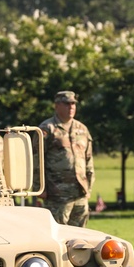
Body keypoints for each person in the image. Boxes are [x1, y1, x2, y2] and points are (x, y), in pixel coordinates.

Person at [37, 90, 95, 227]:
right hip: (57, 193)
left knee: (81, 233)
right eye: (67, 104)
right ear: (57, 106)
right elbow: (36, 159)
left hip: (80, 192)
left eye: (73, 104)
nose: (71, 107)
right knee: (58, 231)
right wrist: (39, 187)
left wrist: (89, 187)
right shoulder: (47, 129)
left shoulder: (82, 129)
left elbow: (88, 159)